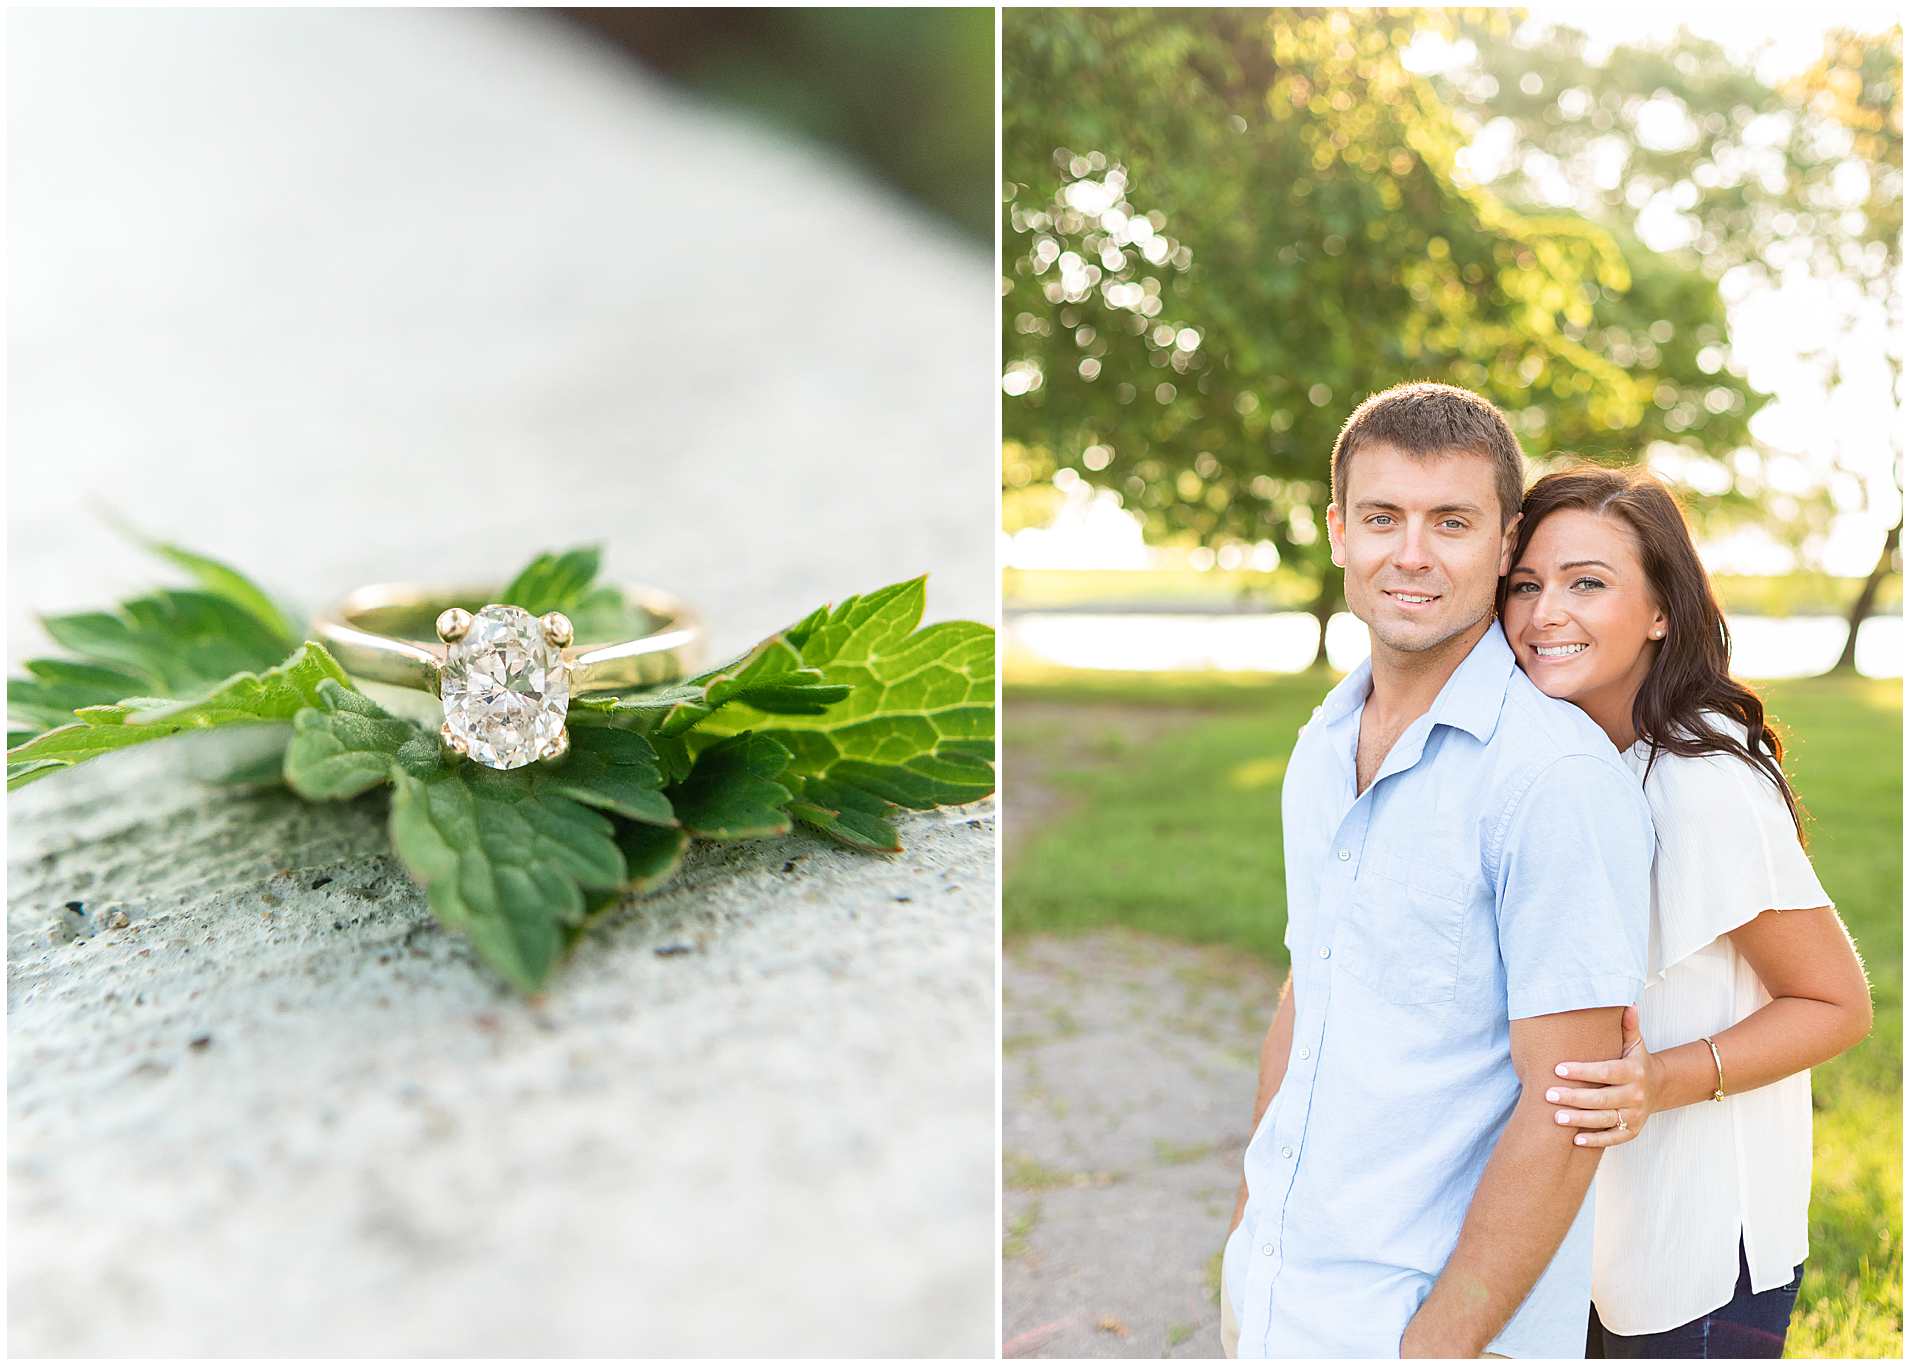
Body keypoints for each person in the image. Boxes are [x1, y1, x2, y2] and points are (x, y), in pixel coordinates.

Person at [1223, 382, 1655, 1358]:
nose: (1411, 553)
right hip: (1282, 1291)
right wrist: (1251, 1230)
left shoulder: (1550, 777)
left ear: (1505, 545)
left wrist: (1436, 1346)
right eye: (1382, 517)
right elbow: (1309, 987)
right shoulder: (1322, 743)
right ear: (1338, 532)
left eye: (1450, 522)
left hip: (1430, 1327)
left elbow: (1569, 1108)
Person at [1495, 464, 1872, 1359]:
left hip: (1697, 1252)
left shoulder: (1702, 782)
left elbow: (1835, 1003)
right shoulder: (1577, 763)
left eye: (1588, 583)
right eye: (1526, 585)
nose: (1546, 613)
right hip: (1598, 1231)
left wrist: (1657, 1081)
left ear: (1661, 611)